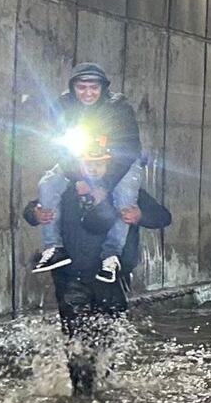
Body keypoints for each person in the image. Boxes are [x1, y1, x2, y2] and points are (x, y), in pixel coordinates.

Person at [23, 148, 171, 397]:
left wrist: (140, 215)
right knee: (75, 337)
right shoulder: (66, 188)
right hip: (71, 276)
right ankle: (81, 394)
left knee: (106, 337)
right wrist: (34, 214)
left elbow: (163, 216)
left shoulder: (124, 191)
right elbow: (35, 207)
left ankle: (102, 388)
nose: (92, 169)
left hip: (110, 278)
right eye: (87, 163)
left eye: (98, 164)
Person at [33, 63, 142, 285]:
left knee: (125, 197)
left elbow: (129, 149)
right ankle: (54, 247)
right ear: (73, 88)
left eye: (94, 88)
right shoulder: (63, 106)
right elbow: (58, 148)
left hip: (116, 164)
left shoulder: (118, 107)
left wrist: (105, 184)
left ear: (103, 88)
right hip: (78, 163)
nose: (88, 93)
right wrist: (80, 179)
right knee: (47, 184)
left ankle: (111, 255)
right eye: (82, 87)